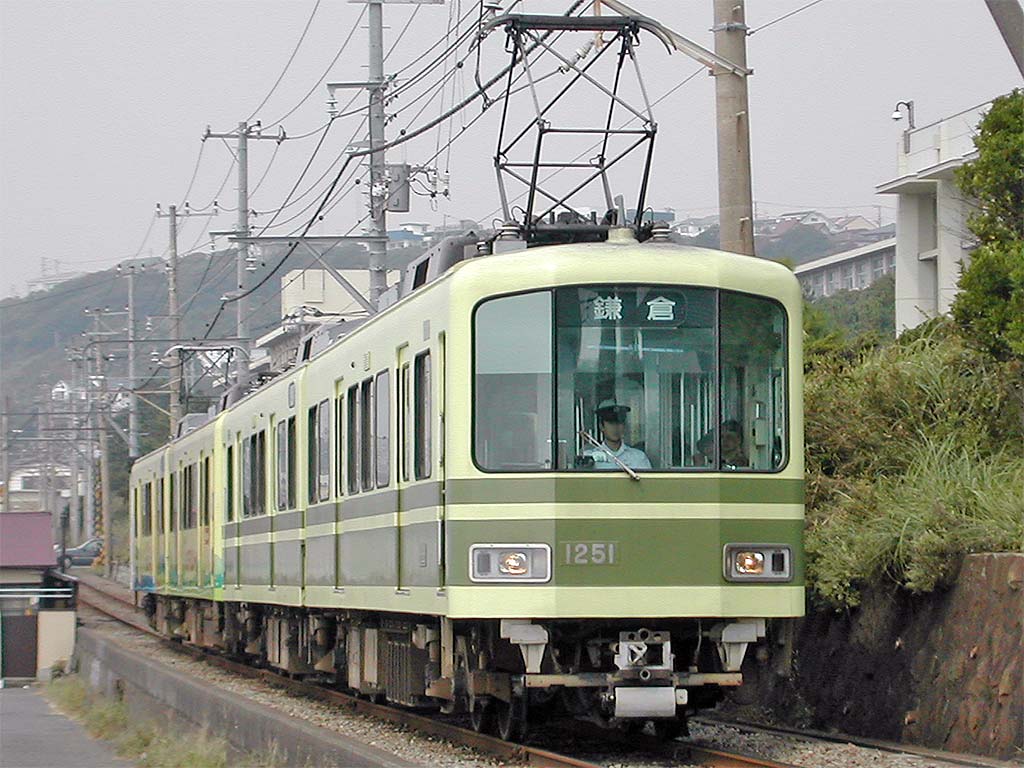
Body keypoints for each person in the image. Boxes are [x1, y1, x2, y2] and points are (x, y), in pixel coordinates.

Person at [580, 400, 652, 470]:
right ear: (601, 426)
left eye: (619, 423)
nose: (615, 428)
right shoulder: (589, 457)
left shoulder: (638, 457)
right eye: (611, 423)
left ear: (624, 426)